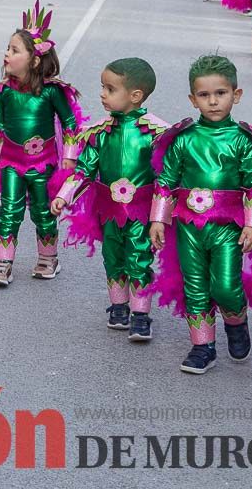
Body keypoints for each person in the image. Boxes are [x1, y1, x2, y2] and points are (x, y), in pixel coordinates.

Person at [148, 55, 252, 374]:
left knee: (226, 287)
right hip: (189, 227)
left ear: (236, 94)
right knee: (195, 286)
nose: (213, 101)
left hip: (227, 227)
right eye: (204, 95)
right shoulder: (183, 138)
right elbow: (165, 181)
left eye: (221, 93)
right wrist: (158, 219)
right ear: (193, 99)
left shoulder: (244, 140)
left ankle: (236, 321)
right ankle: (202, 347)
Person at [53, 58, 168, 342]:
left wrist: (161, 217)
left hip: (141, 212)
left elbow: (166, 179)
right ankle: (119, 307)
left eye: (110, 89)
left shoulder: (155, 134)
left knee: (139, 257)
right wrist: (63, 195)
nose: (102, 94)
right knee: (112, 257)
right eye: (102, 87)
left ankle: (140, 314)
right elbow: (84, 170)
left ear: (135, 95)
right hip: (109, 211)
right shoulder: (99, 133)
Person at [0, 3, 85, 286]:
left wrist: (69, 157)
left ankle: (48, 258)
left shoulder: (52, 92)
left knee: (43, 210)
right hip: (11, 163)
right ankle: (3, 263)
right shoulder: (2, 92)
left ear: (34, 61)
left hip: (43, 164)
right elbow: (0, 127)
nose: (6, 54)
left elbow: (70, 123)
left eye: (14, 50)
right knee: (8, 210)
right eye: (7, 48)